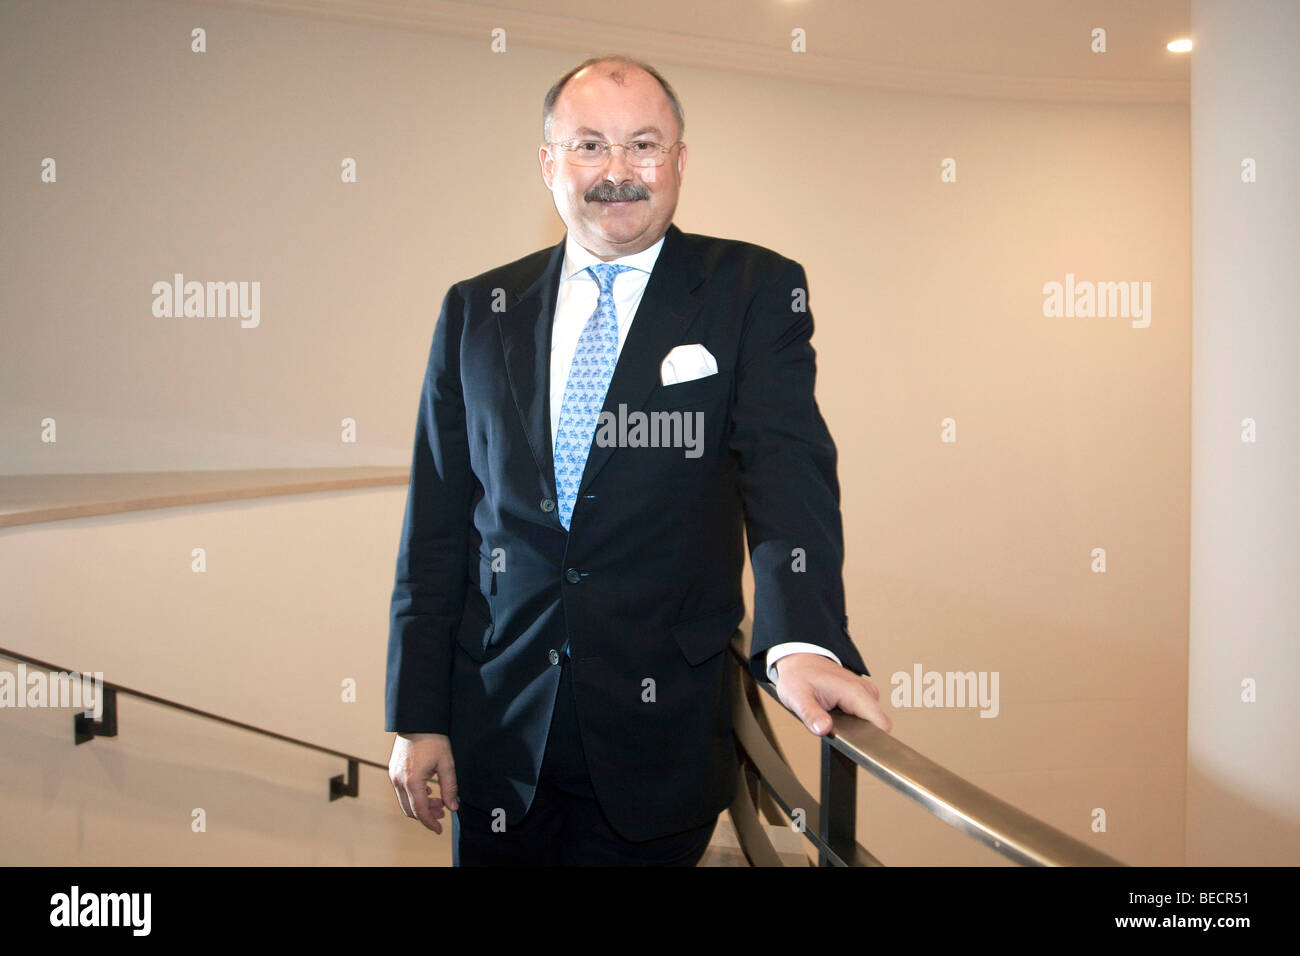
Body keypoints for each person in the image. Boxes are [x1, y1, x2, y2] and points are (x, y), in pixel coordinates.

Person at [386, 54, 893, 866]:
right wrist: (419, 715)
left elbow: (785, 473)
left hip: (659, 743)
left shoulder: (752, 290)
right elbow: (438, 526)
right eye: (589, 146)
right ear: (548, 164)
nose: (617, 172)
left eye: (643, 146)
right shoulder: (476, 309)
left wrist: (801, 642)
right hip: (497, 737)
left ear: (680, 162)